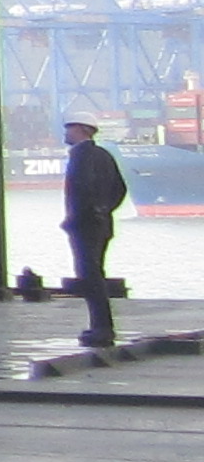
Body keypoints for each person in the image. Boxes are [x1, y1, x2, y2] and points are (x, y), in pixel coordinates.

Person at [66, 119, 129, 344]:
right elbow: (120, 189)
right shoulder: (104, 155)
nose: (66, 132)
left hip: (86, 225)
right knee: (95, 273)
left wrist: (80, 216)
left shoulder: (81, 155)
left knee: (89, 276)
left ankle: (102, 329)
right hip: (102, 224)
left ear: (83, 130)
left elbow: (82, 188)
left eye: (70, 128)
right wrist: (105, 209)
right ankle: (101, 327)